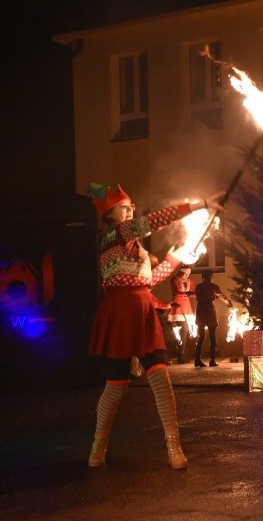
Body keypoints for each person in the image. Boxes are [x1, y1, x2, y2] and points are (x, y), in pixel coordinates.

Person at [86, 183, 224, 470]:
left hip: (143, 311)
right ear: (110, 214)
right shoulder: (114, 234)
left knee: (161, 379)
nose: (131, 209)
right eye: (125, 206)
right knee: (115, 387)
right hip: (120, 313)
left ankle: (174, 447)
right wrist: (200, 204)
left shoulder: (137, 250)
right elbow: (153, 221)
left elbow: (150, 280)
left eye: (131, 205)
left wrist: (178, 254)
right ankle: (98, 445)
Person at [193, 269, 232, 368]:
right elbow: (221, 296)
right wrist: (228, 303)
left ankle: (197, 359)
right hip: (209, 310)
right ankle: (212, 360)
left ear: (202, 277)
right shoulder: (213, 287)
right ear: (211, 277)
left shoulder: (198, 287)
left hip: (201, 310)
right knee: (212, 337)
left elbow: (196, 296)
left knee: (201, 337)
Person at [167, 265, 196, 363]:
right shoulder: (174, 279)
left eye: (189, 274)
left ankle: (181, 354)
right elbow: (175, 292)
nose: (187, 276)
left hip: (187, 307)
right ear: (181, 272)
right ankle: (181, 355)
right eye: (185, 274)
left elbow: (194, 292)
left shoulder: (190, 281)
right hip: (178, 306)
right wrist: (187, 294)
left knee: (185, 330)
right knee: (182, 329)